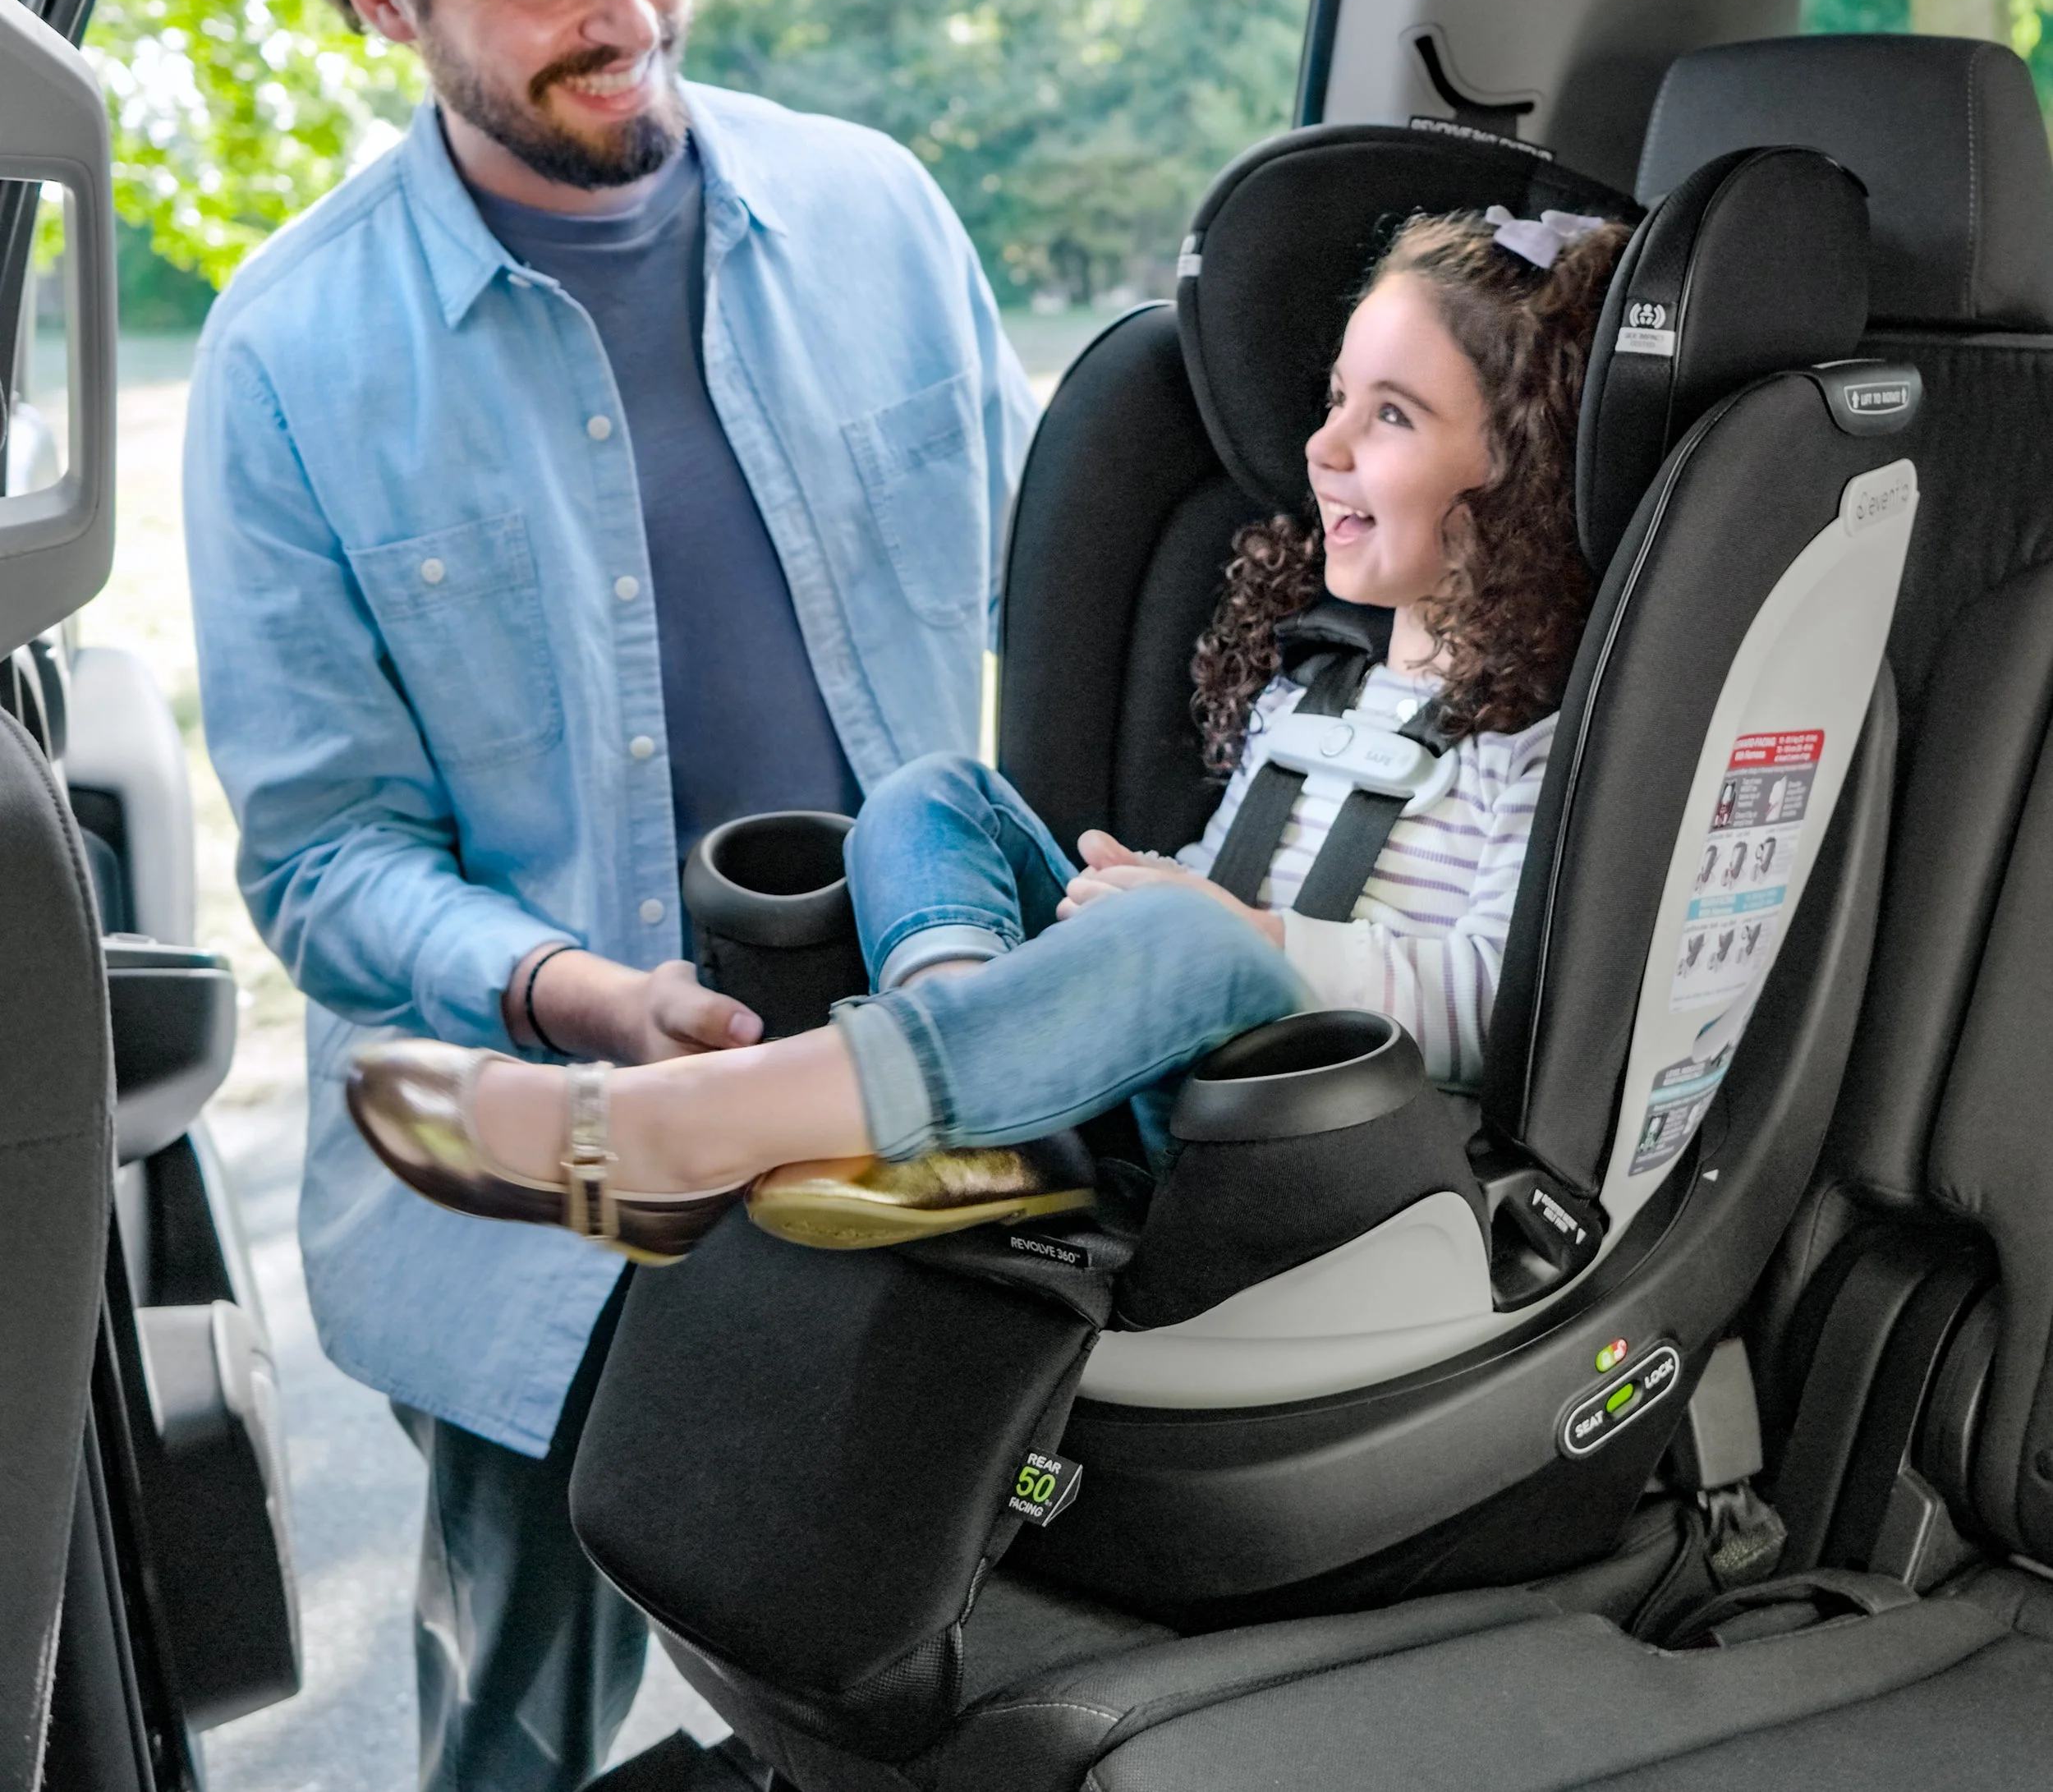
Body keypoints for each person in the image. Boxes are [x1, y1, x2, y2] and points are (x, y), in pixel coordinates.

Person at [183, 0, 1034, 1791]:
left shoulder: (878, 212)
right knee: (518, 1731)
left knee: (962, 1693)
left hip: (928, 1111)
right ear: (381, 0)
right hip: (550, 1188)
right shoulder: (287, 355)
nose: (630, 8)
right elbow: (326, 861)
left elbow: (1063, 599)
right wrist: (583, 998)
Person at [350, 205, 1629, 1253]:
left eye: (1392, 416)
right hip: (1177, 1048)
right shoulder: (1316, 682)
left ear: (1524, 469)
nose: (1326, 445)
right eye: (1337, 398)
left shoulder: (1540, 744)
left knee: (1187, 936)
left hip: (1327, 1132)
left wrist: (1234, 935)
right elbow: (1231, 891)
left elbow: (1495, 1001)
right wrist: (1154, 891)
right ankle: (979, 1125)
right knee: (931, 794)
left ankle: (680, 1130)